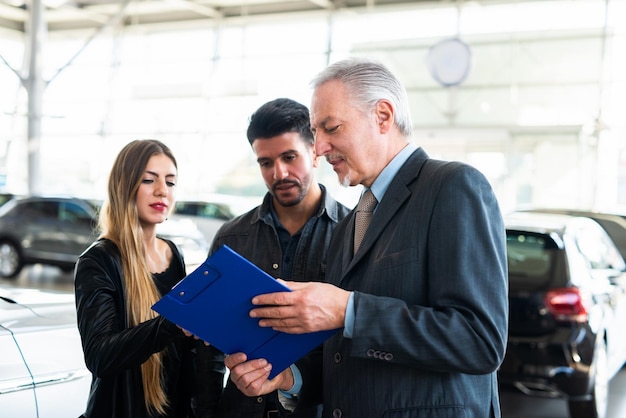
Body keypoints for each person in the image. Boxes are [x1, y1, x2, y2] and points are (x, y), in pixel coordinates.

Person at [224, 57, 509, 417]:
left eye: (332, 128)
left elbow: (479, 341)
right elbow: (345, 359)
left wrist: (347, 309)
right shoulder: (352, 222)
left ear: (383, 116)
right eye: (317, 133)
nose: (321, 147)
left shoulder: (452, 186)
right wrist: (287, 378)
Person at [210, 97, 351, 418]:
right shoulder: (231, 238)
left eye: (290, 157)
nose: (279, 172)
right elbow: (209, 349)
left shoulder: (353, 233)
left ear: (315, 152)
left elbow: (353, 345)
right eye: (266, 162)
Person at [74, 139, 225, 418]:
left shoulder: (172, 253)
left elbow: (178, 352)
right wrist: (173, 323)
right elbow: (100, 356)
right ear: (124, 187)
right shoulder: (99, 261)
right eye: (148, 180)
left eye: (170, 182)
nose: (162, 191)